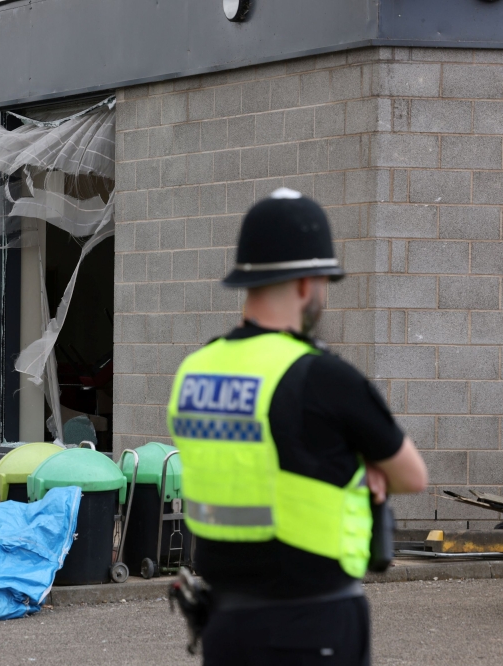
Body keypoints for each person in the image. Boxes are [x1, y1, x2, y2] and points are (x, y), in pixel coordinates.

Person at [166, 188, 428, 665]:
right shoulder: (322, 377)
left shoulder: (195, 370)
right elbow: (412, 475)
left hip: (224, 624)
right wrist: (362, 462)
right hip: (310, 625)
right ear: (307, 284)